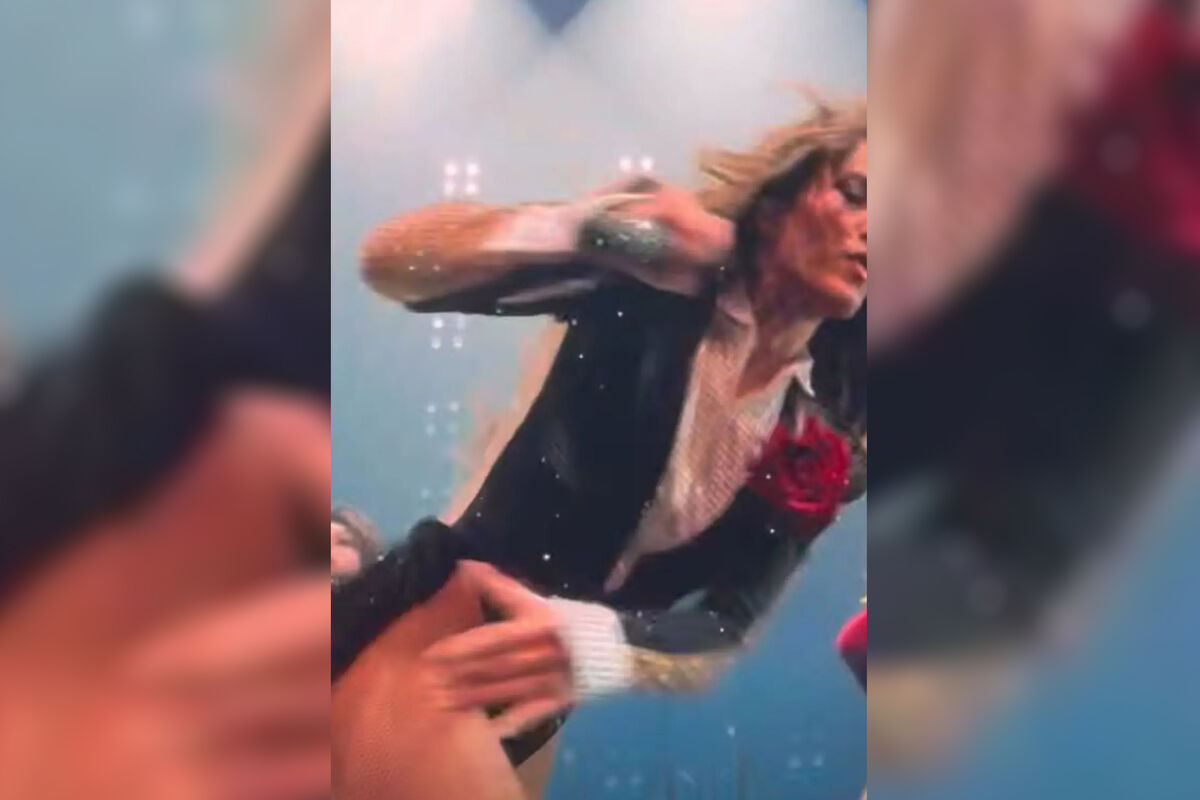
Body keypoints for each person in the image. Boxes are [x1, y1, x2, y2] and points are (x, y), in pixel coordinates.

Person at [332, 97, 868, 799]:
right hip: (440, 638)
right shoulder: (658, 283)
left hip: (534, 703)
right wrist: (593, 231)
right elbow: (389, 261)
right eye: (856, 194)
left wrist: (595, 642)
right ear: (774, 209)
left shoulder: (820, 438)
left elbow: (725, 621)